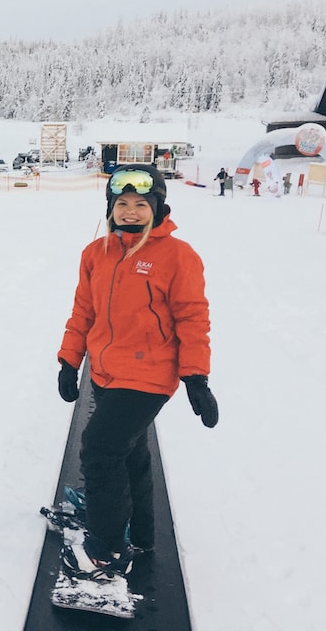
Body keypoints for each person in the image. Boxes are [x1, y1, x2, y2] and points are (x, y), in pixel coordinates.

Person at [56, 163, 218, 581]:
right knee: (129, 453)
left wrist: (196, 377)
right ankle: (141, 532)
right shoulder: (95, 254)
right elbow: (83, 313)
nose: (130, 211)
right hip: (107, 372)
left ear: (158, 207)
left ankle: (106, 550)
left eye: (140, 204)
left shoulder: (178, 255)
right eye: (122, 203)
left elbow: (192, 317)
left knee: (99, 448)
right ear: (111, 208)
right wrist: (69, 361)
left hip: (150, 376)